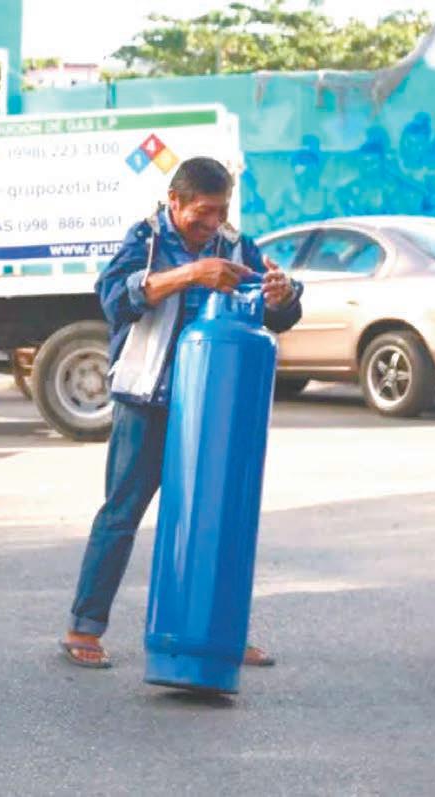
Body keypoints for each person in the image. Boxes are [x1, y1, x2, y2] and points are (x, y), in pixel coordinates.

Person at [61, 157, 304, 670]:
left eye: (222, 211)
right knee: (121, 515)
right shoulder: (145, 240)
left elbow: (280, 312)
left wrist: (283, 295)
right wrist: (191, 274)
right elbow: (114, 299)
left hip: (213, 410)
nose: (213, 223)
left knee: (213, 520)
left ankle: (218, 632)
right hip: (145, 401)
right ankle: (84, 627)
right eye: (203, 212)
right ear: (175, 202)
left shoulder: (235, 246)